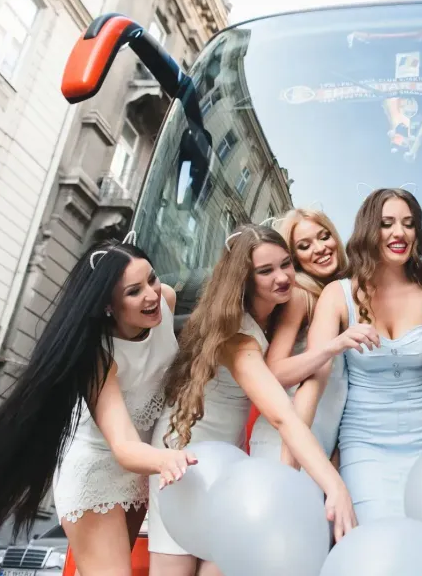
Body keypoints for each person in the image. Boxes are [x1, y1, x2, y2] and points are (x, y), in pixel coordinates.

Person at [0, 236, 193, 576]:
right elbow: (124, 445)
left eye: (152, 278)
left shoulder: (167, 301)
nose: (152, 294)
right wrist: (166, 458)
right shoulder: (98, 357)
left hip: (139, 470)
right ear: (107, 306)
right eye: (134, 291)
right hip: (96, 471)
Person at [147, 225, 357, 575]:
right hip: (184, 456)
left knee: (225, 562)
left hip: (229, 459)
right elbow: (282, 416)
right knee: (175, 565)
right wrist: (334, 486)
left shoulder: (276, 314)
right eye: (266, 271)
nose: (282, 277)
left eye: (286, 264)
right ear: (245, 279)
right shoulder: (237, 335)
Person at [307, 187, 422, 523]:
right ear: (368, 230)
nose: (400, 233)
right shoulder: (337, 295)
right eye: (387, 223)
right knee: (379, 539)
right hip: (365, 446)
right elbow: (313, 378)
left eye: (409, 224)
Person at [249, 207, 352, 467]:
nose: (319, 248)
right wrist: (330, 348)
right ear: (294, 259)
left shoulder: (341, 294)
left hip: (321, 441)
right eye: (305, 246)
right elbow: (274, 372)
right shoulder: (301, 295)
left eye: (324, 236)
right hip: (283, 443)